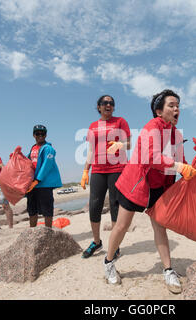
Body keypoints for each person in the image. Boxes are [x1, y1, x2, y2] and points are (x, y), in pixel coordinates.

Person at [103, 89, 196, 294]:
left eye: (178, 106)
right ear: (158, 111)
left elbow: (180, 161)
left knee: (160, 227)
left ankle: (168, 269)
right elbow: (151, 157)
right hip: (136, 184)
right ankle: (109, 262)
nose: (176, 109)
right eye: (171, 105)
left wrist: (192, 171)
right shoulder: (151, 128)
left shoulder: (177, 134)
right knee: (121, 226)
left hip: (159, 187)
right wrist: (180, 167)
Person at [80, 95, 131, 259]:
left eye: (111, 103)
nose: (108, 105)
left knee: (115, 205)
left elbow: (130, 142)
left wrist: (120, 144)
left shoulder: (120, 122)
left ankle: (114, 245)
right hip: (98, 170)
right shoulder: (93, 126)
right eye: (105, 103)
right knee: (95, 205)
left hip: (117, 168)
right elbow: (90, 150)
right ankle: (96, 241)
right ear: (99, 106)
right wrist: (85, 171)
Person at [26, 125, 62, 228]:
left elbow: (47, 164)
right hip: (32, 185)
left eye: (43, 134)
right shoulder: (33, 148)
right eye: (37, 133)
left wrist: (37, 180)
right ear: (34, 135)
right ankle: (32, 232)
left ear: (46, 135)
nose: (40, 135)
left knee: (47, 210)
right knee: (32, 210)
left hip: (44, 184)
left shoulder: (48, 148)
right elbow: (28, 162)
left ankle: (48, 233)